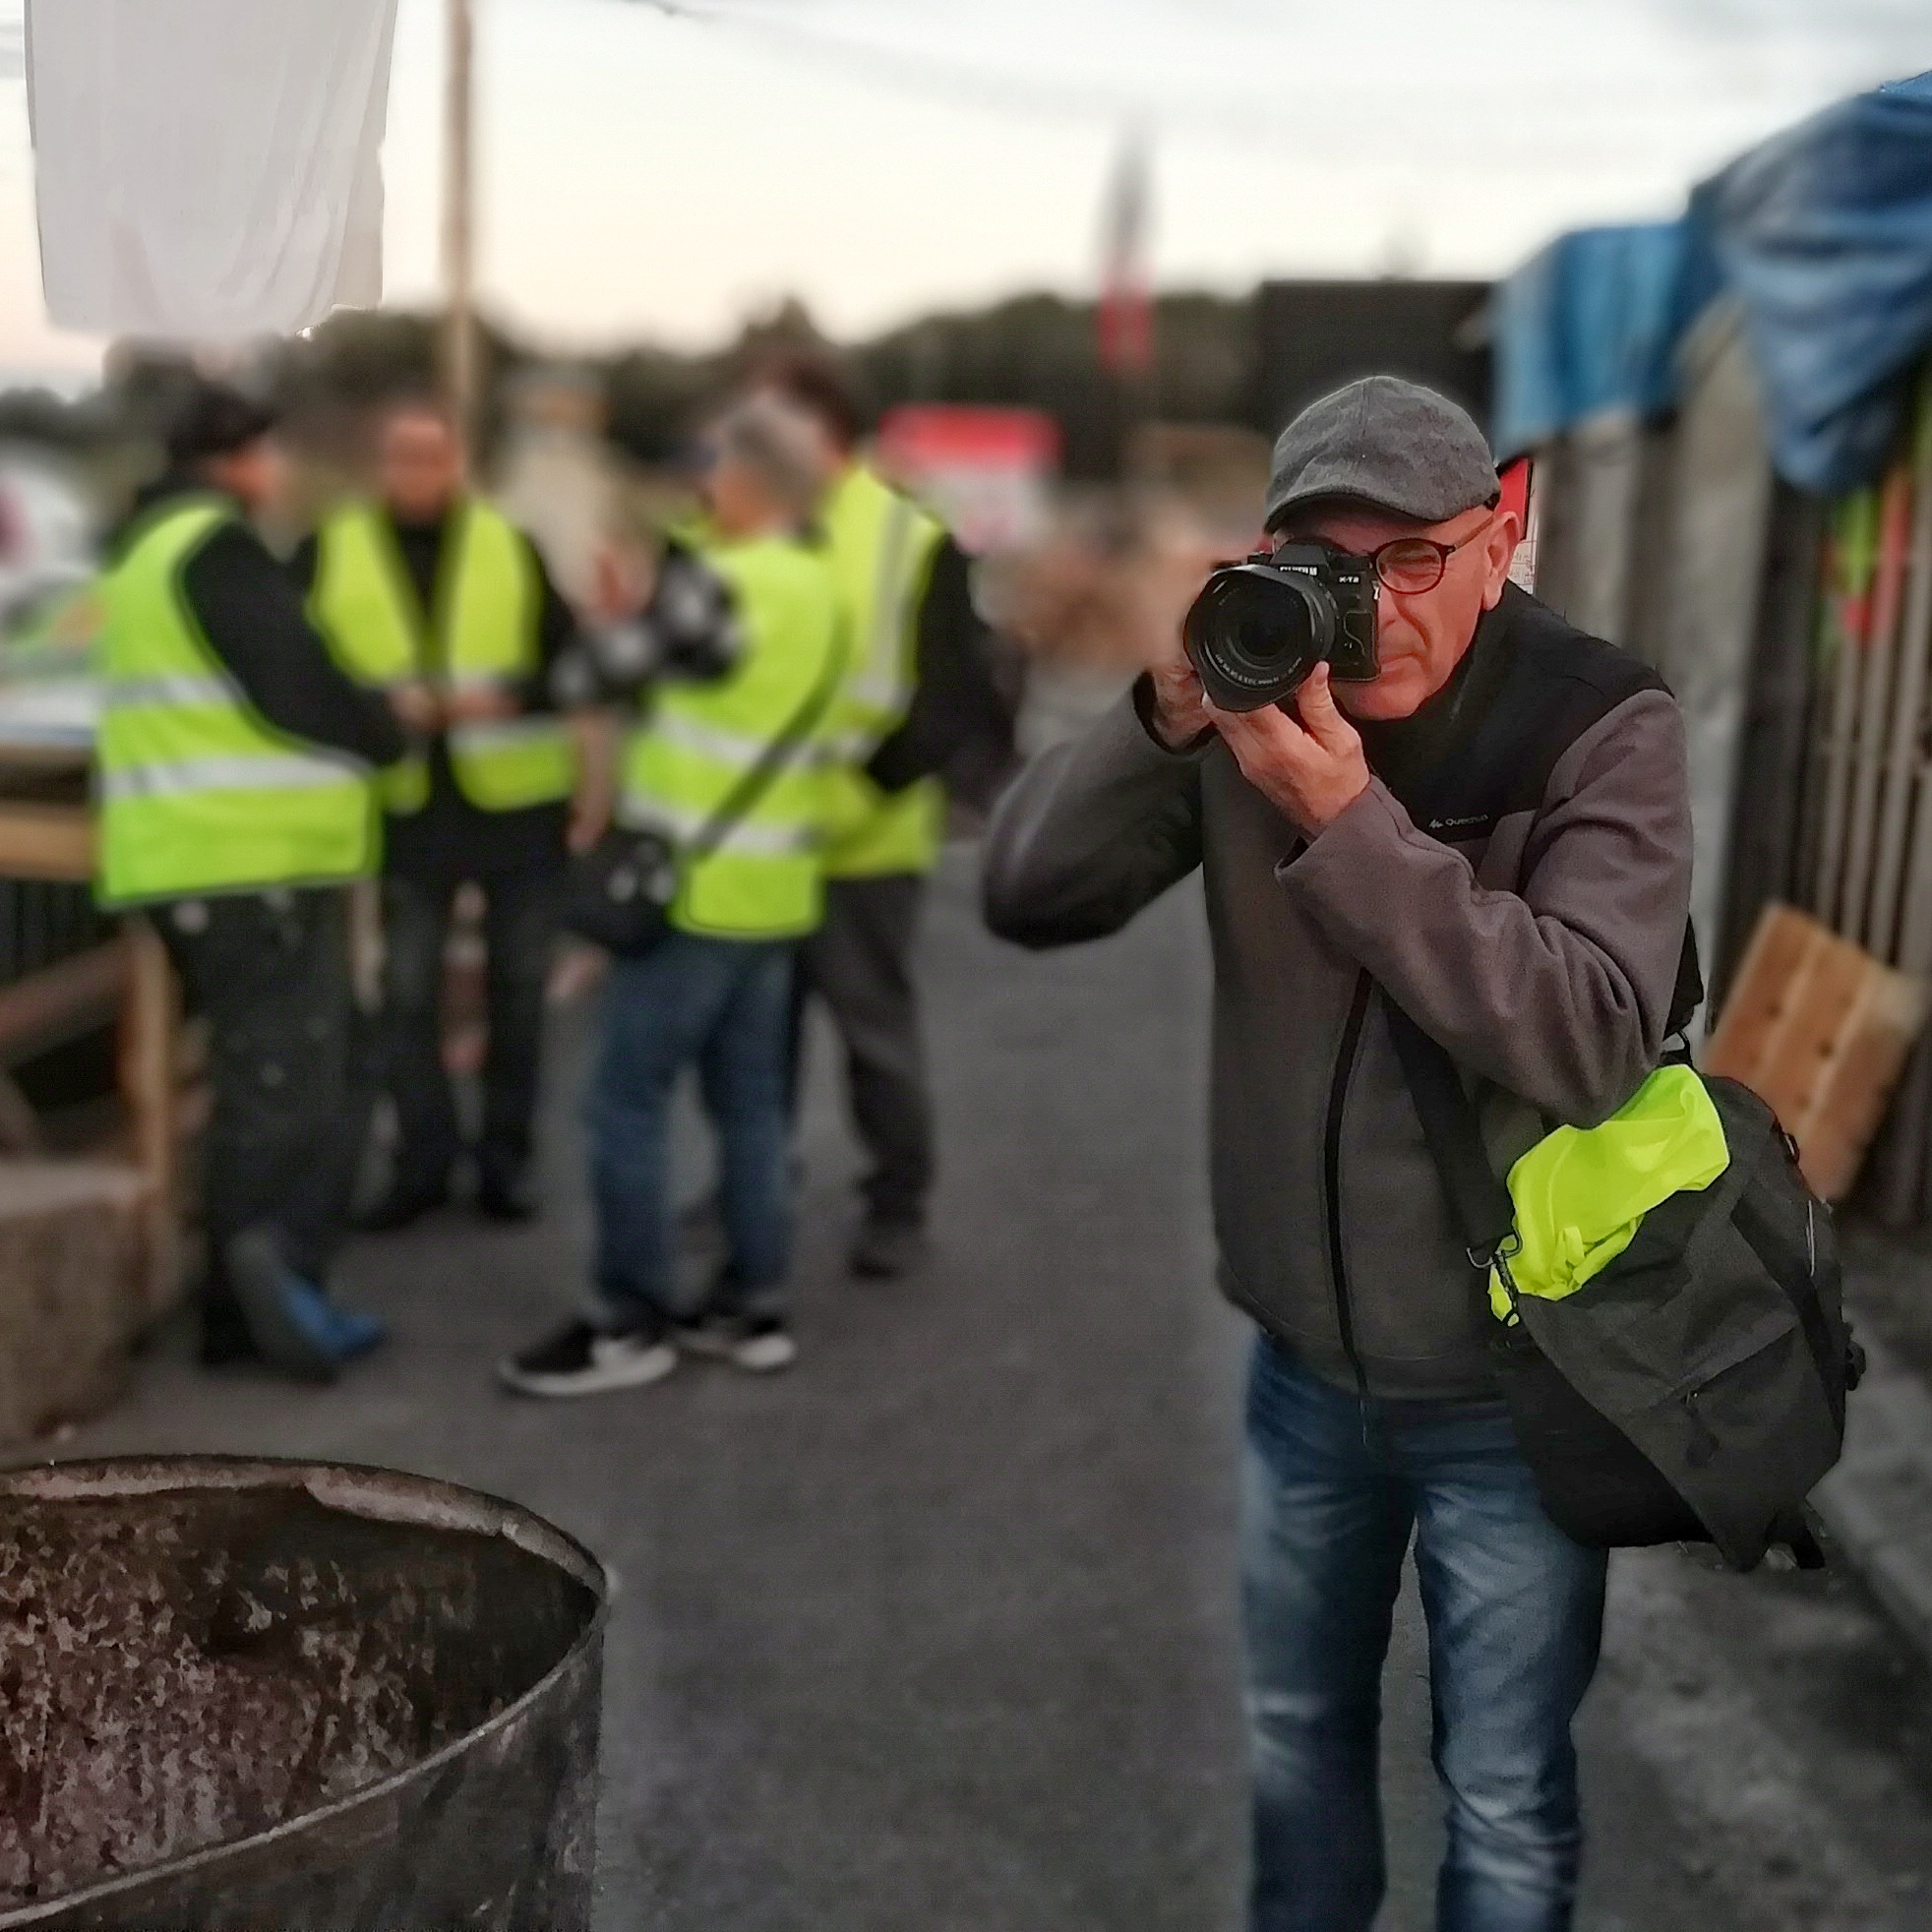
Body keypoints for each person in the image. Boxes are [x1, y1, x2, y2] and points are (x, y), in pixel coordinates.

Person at [983, 376, 1694, 1932]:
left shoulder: (1598, 718)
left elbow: (1590, 1036)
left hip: (1512, 1376)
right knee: (1298, 1745)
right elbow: (1024, 894)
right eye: (1332, 564)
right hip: (1303, 1374)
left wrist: (1346, 822)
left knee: (1501, 1801)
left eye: (1416, 562)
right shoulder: (1250, 698)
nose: (1374, 607)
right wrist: (1164, 710)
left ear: (1498, 540)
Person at [500, 396, 845, 1398]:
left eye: (713, 475)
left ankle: (627, 1319)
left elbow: (589, 672)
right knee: (749, 1109)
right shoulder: (818, 587)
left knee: (625, 1102)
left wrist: (608, 621)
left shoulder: (719, 578)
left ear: (742, 483)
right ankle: (752, 1304)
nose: (702, 490)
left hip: (689, 889)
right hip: (778, 886)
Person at [95, 383, 408, 1381]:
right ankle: (260, 1312)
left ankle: (254, 1305)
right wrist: (385, 723)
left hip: (187, 859)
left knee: (260, 1079)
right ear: (238, 457)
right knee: (286, 1088)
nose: (275, 475)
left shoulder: (143, 551)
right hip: (249, 863)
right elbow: (301, 684)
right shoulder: (215, 549)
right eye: (268, 454)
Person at [296, 396, 596, 1227]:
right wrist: (374, 703)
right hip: (406, 810)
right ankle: (421, 1164)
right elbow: (296, 666)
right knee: (407, 994)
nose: (417, 471)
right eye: (401, 454)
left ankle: (507, 1164)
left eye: (432, 454)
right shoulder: (332, 547)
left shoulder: (513, 546)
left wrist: (501, 699)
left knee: (519, 992)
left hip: (518, 810)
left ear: (459, 459)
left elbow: (574, 665)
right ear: (377, 461)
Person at [751, 353, 1014, 1279]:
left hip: (865, 841)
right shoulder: (744, 526)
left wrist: (865, 786)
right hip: (753, 846)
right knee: (752, 1037)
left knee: (872, 1035)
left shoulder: (911, 538)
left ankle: (896, 1202)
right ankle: (753, 1184)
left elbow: (952, 697)